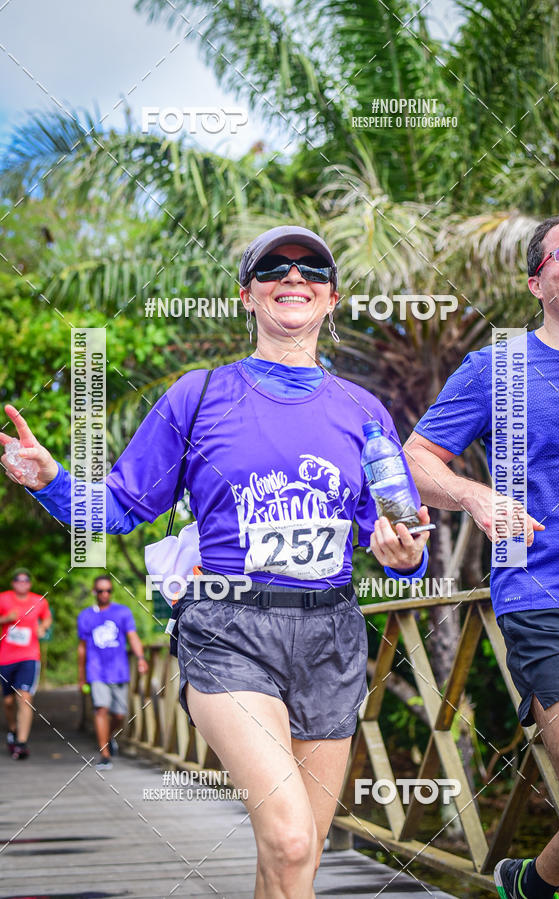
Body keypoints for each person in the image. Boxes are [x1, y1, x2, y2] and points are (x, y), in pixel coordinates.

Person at [1, 225, 431, 899]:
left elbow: (398, 529)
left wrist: (406, 556)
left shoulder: (364, 410)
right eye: (274, 267)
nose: (294, 276)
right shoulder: (198, 395)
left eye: (312, 268)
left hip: (332, 638)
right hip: (230, 632)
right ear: (246, 295)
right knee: (291, 840)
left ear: (332, 297)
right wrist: (52, 480)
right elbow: (119, 506)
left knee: (295, 859)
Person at [404, 211, 559, 899]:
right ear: (536, 281)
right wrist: (474, 496)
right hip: (548, 595)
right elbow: (415, 460)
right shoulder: (500, 368)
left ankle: (534, 881)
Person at [77, 574, 148, 770]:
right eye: (101, 591)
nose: (104, 594)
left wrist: (141, 658)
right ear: (94, 592)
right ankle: (105, 754)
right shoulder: (85, 616)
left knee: (119, 714)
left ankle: (107, 737)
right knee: (101, 709)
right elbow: (82, 648)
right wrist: (81, 676)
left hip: (118, 670)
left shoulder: (122, 612)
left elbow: (133, 637)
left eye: (108, 590)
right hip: (96, 670)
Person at [0, 568, 52, 760]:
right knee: (8, 702)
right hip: (6, 657)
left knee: (25, 697)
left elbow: (47, 618)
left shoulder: (39, 601)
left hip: (29, 656)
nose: (22, 583)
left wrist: (43, 627)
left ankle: (21, 744)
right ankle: (13, 730)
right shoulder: (3, 599)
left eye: (25, 580)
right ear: (13, 583)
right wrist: (5, 619)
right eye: (18, 580)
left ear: (29, 584)